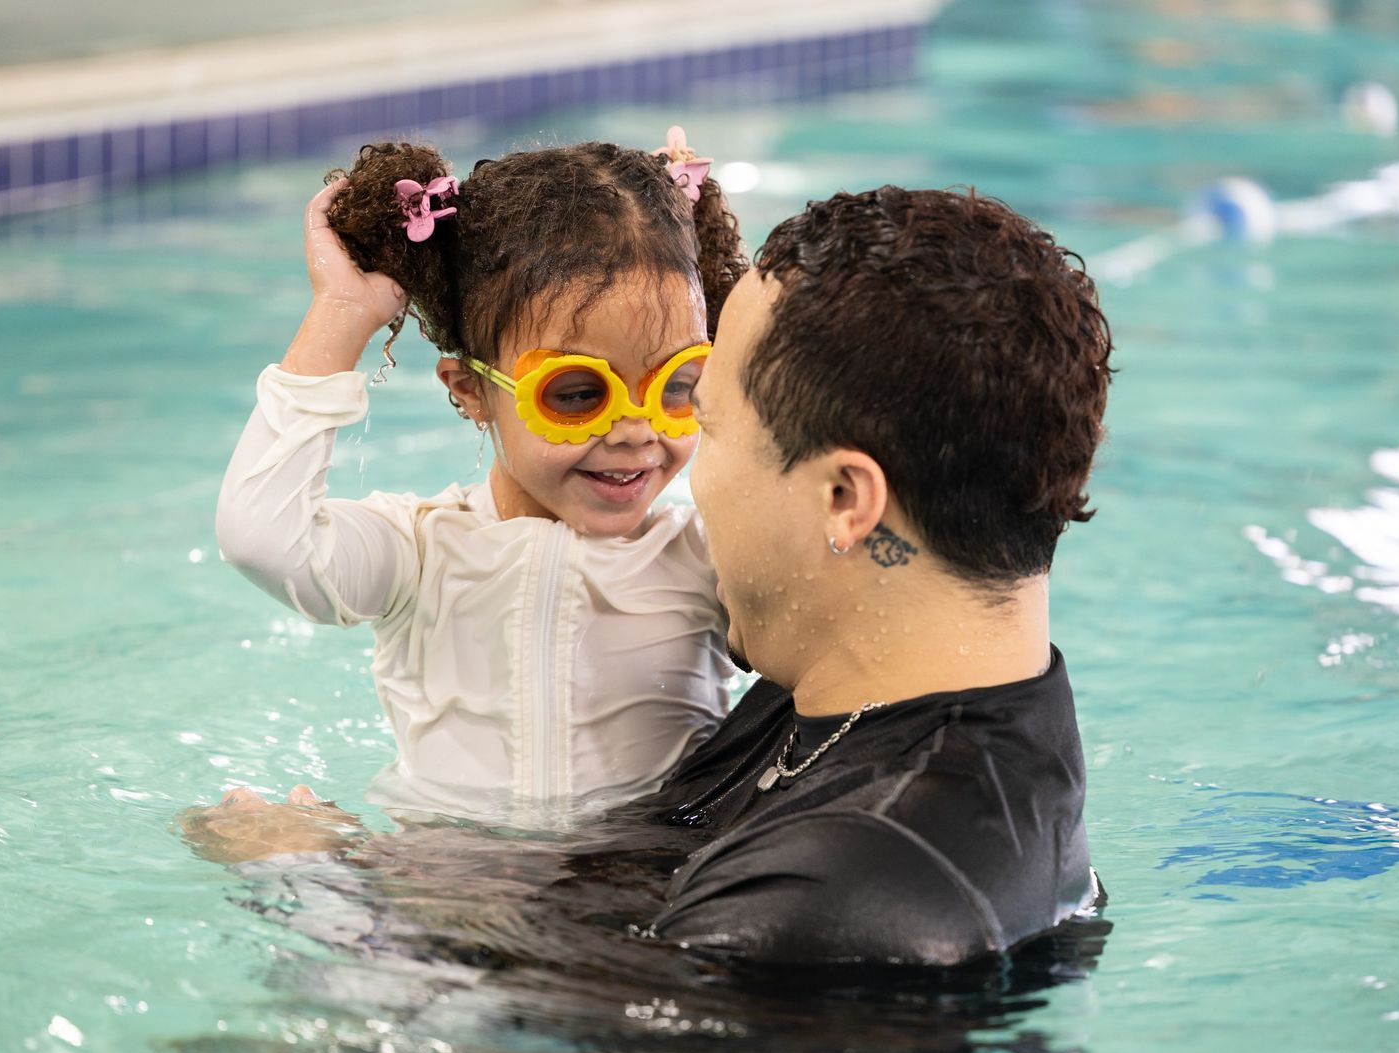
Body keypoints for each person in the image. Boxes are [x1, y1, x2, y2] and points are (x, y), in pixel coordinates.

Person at [191, 184, 1112, 970]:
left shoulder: (831, 908)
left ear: (845, 498)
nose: (663, 458)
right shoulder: (852, 700)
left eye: (696, 410)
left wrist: (313, 879)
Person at [213, 131, 745, 827]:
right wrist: (341, 318)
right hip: (448, 886)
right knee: (248, 830)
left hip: (633, 881)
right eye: (580, 393)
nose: (636, 432)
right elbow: (261, 538)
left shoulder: (707, 558)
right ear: (470, 390)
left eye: (678, 384)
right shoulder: (419, 553)